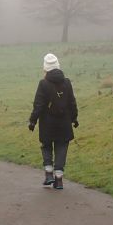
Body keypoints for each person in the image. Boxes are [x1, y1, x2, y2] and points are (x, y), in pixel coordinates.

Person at [28, 53, 79, 190]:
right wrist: (74, 118)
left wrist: (32, 121)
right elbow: (72, 102)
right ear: (58, 66)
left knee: (46, 146)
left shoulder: (43, 84)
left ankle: (49, 174)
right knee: (62, 147)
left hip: (47, 124)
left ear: (45, 68)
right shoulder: (67, 82)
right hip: (64, 123)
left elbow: (38, 105)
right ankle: (59, 179)